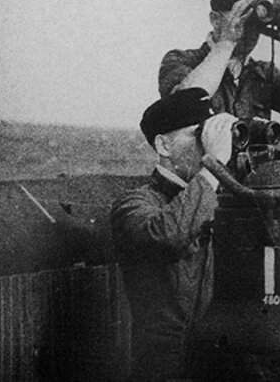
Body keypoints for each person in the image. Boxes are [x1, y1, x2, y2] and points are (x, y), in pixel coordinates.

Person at [110, 87, 235, 381]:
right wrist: (214, 166)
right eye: (199, 135)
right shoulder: (133, 205)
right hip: (162, 369)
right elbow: (168, 236)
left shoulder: (216, 199)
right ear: (164, 146)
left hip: (213, 363)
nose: (208, 146)